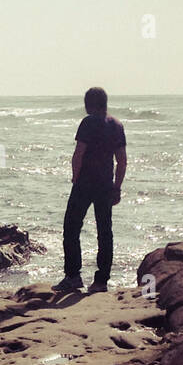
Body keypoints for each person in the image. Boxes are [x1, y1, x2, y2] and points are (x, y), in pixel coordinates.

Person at [57, 86, 126, 293]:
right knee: (105, 232)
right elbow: (122, 161)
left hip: (85, 183)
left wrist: (75, 177)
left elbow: (78, 154)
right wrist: (117, 188)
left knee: (71, 227)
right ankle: (101, 281)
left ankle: (73, 276)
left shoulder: (88, 122)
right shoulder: (116, 125)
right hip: (105, 184)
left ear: (89, 104)